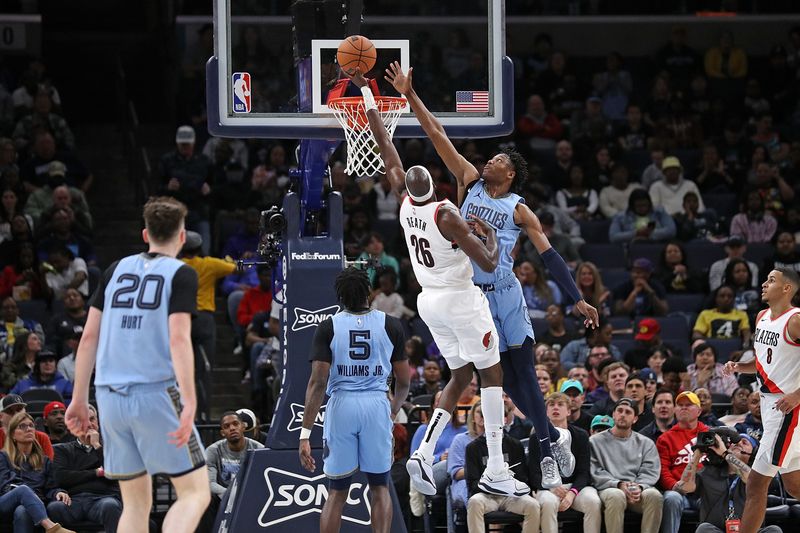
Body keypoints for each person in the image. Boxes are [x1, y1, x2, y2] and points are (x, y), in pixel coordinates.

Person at [383, 62, 598, 488]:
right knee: (496, 380)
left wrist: (575, 296)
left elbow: (550, 256)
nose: (489, 160)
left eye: (498, 159)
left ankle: (546, 446)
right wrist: (409, 95)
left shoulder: (519, 209)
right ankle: (551, 436)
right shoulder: (468, 181)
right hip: (469, 295)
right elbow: (437, 135)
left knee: (520, 371)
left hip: (502, 293)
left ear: (510, 173)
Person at [353, 68, 539, 495]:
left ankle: (423, 451)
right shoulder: (447, 214)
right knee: (491, 376)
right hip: (460, 298)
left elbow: (386, 148)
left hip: (428, 302)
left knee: (458, 378)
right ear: (436, 186)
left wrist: (367, 94)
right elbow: (491, 265)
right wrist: (489, 236)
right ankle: (495, 468)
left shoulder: (403, 203)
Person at [64, 196, 210, 533]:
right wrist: (189, 399)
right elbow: (178, 339)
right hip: (155, 390)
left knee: (135, 504)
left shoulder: (115, 269)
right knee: (194, 493)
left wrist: (79, 399)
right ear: (182, 236)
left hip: (110, 397)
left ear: (145, 234)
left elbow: (88, 338)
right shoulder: (182, 272)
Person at [298, 268, 410, 533]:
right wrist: (391, 411)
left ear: (340, 296)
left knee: (337, 492)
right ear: (369, 292)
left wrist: (304, 434)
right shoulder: (391, 324)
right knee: (380, 486)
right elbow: (404, 381)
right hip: (375, 403)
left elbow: (317, 383)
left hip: (341, 404)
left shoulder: (328, 326)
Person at [722, 267, 800, 533]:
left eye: (771, 280)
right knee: (793, 484)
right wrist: (739, 367)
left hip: (789, 408)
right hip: (770, 405)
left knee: (755, 483)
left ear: (787, 288)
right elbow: (764, 362)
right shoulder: (761, 317)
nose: (764, 284)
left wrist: (797, 395)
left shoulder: (796, 319)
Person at [677, 431, 781, 533]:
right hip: (716, 530)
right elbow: (684, 486)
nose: (738, 444)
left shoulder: (759, 475)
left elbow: (751, 480)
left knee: (774, 530)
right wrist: (697, 455)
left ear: (754, 452)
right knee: (704, 529)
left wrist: (725, 453)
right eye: (734, 442)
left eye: (744, 442)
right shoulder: (707, 472)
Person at [529, 392, 601, 533]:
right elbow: (534, 474)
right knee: (548, 503)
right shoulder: (536, 437)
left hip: (575, 488)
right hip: (548, 488)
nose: (556, 408)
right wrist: (553, 488)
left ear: (568, 411)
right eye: (551, 405)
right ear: (546, 411)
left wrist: (572, 493)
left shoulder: (581, 436)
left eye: (560, 404)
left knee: (593, 501)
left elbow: (583, 472)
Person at [589, 398, 663, 533]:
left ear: (635, 419)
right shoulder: (594, 441)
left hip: (636, 490)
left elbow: (650, 471)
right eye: (620, 411)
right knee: (616, 495)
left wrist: (639, 486)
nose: (623, 414)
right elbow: (595, 471)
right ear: (613, 414)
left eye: (628, 412)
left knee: (654, 495)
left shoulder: (646, 443)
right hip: (608, 488)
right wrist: (618, 484)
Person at [465, 406, 540, 533]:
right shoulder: (473, 448)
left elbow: (522, 478)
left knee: (533, 505)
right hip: (486, 496)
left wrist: (496, 482)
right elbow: (473, 484)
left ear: (505, 420)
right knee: (474, 502)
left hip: (511, 496)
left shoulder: (515, 445)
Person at [49, 404, 123, 533]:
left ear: (98, 423)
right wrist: (97, 472)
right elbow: (61, 478)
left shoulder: (112, 448)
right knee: (54, 507)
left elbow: (113, 474)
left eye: (92, 419)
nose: (89, 424)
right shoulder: (61, 449)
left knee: (110, 506)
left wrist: (96, 445)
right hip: (72, 500)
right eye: (83, 420)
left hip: (103, 499)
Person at [0, 412, 76, 533]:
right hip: (6, 502)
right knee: (23, 490)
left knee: (23, 510)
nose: (28, 429)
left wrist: (58, 492)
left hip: (35, 504)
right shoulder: (3, 457)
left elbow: (50, 487)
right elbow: (5, 486)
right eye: (22, 426)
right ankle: (51, 527)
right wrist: (28, 494)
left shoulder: (44, 460)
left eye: (31, 425)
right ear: (13, 434)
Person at [656, 390, 709, 533]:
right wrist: (675, 486)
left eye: (689, 404)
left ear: (699, 411)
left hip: (705, 491)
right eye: (680, 405)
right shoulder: (665, 439)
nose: (684, 407)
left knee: (715, 497)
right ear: (675, 410)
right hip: (679, 491)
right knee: (671, 498)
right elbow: (663, 471)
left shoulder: (710, 435)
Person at [201, 411, 263, 530]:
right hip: (222, 496)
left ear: (243, 426)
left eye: (235, 424)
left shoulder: (258, 449)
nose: (232, 428)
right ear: (222, 432)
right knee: (205, 497)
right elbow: (209, 483)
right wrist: (229, 494)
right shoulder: (213, 450)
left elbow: (263, 480)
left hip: (249, 496)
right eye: (227, 426)